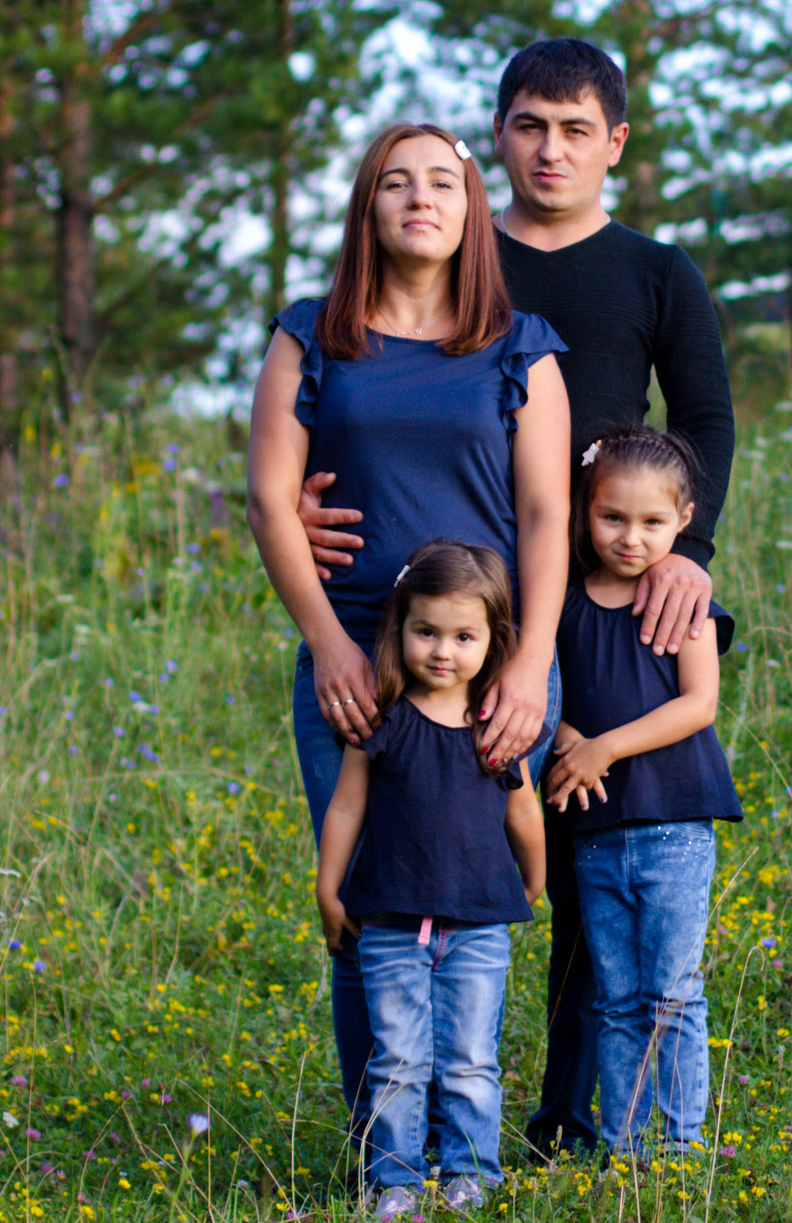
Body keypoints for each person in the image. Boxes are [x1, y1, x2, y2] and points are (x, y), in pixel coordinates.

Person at [296, 41, 737, 1158]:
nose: (551, 149)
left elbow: (706, 422)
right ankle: (424, 1123)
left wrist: (696, 549)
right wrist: (308, 497)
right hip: (460, 613)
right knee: (448, 850)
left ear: (615, 145)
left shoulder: (654, 272)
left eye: (576, 129)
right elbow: (371, 386)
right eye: (530, 125)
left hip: (608, 599)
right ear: (497, 136)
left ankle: (580, 1113)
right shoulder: (451, 253)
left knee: (599, 866)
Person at [245, 121, 572, 1118]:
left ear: (472, 206)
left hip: (492, 678)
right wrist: (332, 645)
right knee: (363, 908)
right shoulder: (310, 337)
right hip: (358, 672)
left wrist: (528, 670)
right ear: (368, 208)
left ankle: (463, 1146)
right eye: (395, 183)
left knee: (473, 913)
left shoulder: (522, 346)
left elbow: (546, 513)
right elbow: (269, 500)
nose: (419, 198)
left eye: (441, 181)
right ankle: (377, 1156)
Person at [317, 542, 549, 1219]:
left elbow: (522, 808)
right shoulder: (383, 722)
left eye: (463, 635)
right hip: (389, 919)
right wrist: (329, 888)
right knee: (397, 1058)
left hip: (478, 923)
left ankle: (471, 1171)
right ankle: (395, 1178)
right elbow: (347, 805)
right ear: (400, 629)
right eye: (427, 631)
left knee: (471, 1057)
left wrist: (531, 879)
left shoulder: (496, 727)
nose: (443, 650)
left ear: (492, 640)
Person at [544, 428, 741, 1160]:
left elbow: (698, 704)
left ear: (684, 519)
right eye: (612, 518)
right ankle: (626, 1149)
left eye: (652, 522)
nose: (631, 538)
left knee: (672, 994)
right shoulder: (564, 605)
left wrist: (605, 746)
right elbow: (545, 693)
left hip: (674, 826)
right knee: (617, 1000)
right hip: (594, 833)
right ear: (584, 512)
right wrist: (568, 737)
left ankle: (681, 1144)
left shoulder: (684, 603)